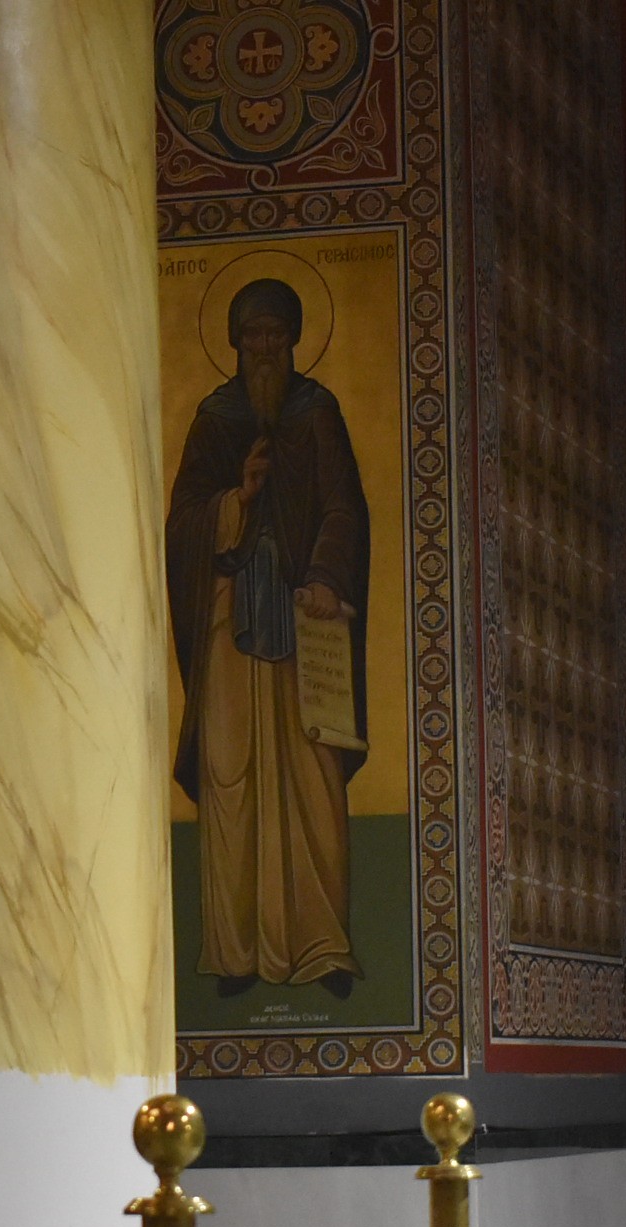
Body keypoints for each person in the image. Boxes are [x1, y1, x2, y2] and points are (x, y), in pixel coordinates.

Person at [167, 275, 371, 999]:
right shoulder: (213, 419)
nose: (263, 348)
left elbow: (345, 505)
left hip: (305, 621)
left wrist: (325, 575)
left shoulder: (318, 413)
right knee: (232, 778)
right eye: (252, 335)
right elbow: (182, 523)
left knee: (311, 778)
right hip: (230, 626)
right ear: (233, 341)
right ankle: (237, 952)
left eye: (275, 335)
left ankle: (323, 946)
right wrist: (237, 501)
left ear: (293, 340)